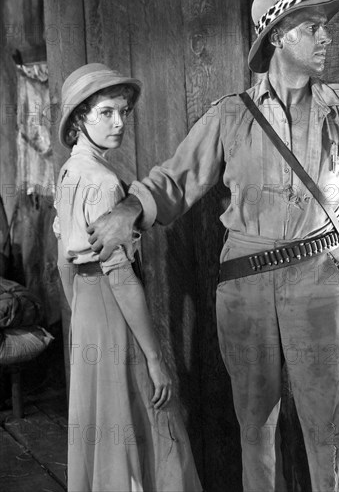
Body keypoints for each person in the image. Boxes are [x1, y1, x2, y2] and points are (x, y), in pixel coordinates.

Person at [86, 0, 339, 492]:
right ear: (278, 36)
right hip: (244, 288)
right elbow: (175, 178)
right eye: (312, 28)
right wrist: (129, 209)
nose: (326, 37)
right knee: (255, 430)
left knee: (334, 429)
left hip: (319, 279)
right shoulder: (231, 116)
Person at [53, 63, 203, 492]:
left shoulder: (67, 172)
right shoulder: (102, 182)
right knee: (151, 415)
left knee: (107, 423)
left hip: (86, 313)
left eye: (123, 111)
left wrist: (82, 309)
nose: (119, 122)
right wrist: (157, 359)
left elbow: (64, 260)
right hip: (114, 310)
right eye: (105, 112)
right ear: (80, 118)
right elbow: (119, 279)